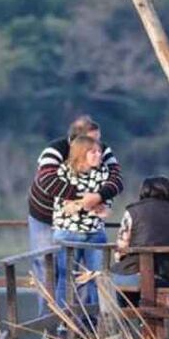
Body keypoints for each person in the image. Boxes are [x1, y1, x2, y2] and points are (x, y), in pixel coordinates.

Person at [27, 115, 123, 311]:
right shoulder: (54, 152)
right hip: (45, 214)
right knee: (47, 268)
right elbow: (47, 181)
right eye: (93, 140)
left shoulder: (101, 153)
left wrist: (99, 198)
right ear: (78, 142)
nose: (100, 146)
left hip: (90, 224)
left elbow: (115, 180)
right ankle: (51, 322)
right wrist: (85, 199)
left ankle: (85, 323)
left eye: (99, 139)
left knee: (91, 275)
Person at [52, 135, 112, 310]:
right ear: (81, 153)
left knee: (99, 278)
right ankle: (63, 323)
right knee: (65, 278)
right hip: (68, 232)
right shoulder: (64, 171)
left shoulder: (104, 172)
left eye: (99, 151)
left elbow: (105, 210)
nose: (98, 155)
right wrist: (91, 201)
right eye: (92, 152)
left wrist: (82, 203)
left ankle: (96, 324)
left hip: (95, 232)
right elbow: (66, 207)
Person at [111, 176, 169, 290]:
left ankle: (123, 307)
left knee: (108, 279)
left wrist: (119, 261)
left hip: (134, 270)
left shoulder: (133, 212)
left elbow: (122, 247)